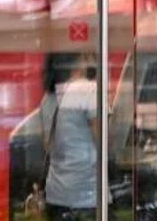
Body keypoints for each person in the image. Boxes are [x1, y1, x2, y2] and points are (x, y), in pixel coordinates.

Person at [44, 53, 98, 220]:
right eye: (88, 56)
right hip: (87, 193)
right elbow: (104, 140)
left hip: (56, 193)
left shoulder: (48, 98)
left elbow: (47, 146)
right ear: (79, 62)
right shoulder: (88, 89)